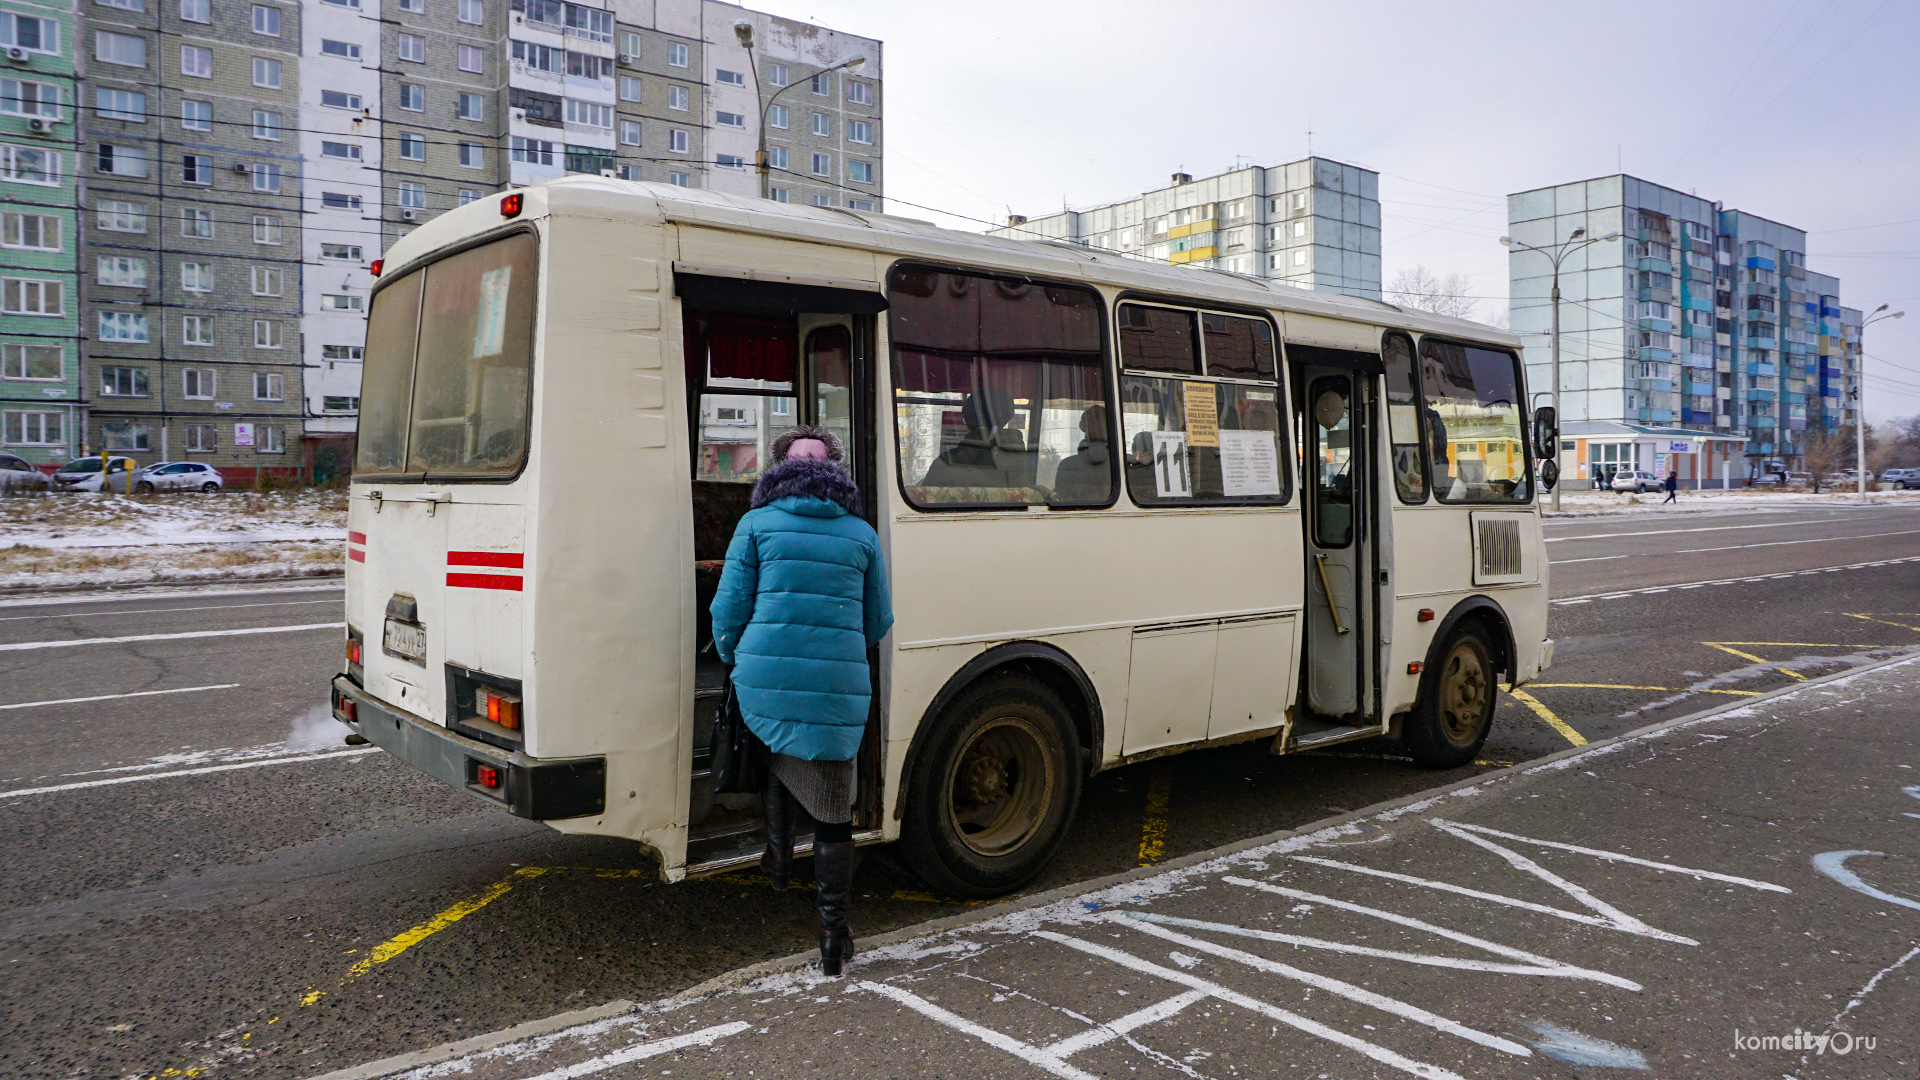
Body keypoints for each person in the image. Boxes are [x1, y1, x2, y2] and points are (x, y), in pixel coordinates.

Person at [710, 426, 893, 977]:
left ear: (775, 470)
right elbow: (878, 619)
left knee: (774, 748)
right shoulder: (861, 533)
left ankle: (779, 862)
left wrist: (733, 656)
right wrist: (839, 650)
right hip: (838, 682)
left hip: (763, 670)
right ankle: (833, 937)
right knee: (834, 811)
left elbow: (728, 610)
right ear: (835, 471)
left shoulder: (755, 525)